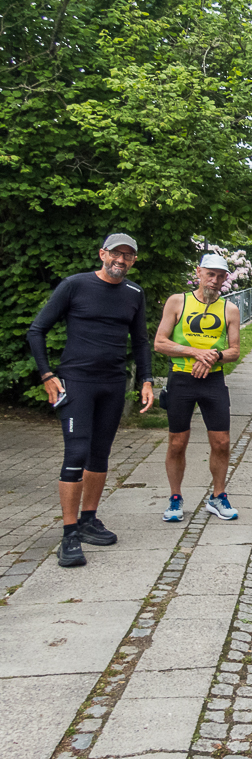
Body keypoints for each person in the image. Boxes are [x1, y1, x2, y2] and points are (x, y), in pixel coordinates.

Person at [27, 233, 155, 567]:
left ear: (134, 261)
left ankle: (88, 520)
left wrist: (146, 379)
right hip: (77, 382)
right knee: (77, 452)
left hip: (112, 384)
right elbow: (36, 329)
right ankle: (69, 535)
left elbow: (140, 341)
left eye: (128, 256)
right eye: (116, 253)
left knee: (99, 453)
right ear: (102, 254)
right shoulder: (75, 285)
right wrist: (46, 375)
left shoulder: (134, 293)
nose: (121, 260)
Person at [153, 254, 243, 524]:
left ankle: (218, 496)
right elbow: (160, 342)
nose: (214, 280)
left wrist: (213, 356)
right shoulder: (178, 301)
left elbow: (235, 351)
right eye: (210, 274)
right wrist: (195, 353)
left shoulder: (230, 309)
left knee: (222, 442)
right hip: (181, 378)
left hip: (213, 380)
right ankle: (175, 497)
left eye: (220, 276)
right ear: (199, 272)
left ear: (226, 278)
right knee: (177, 443)